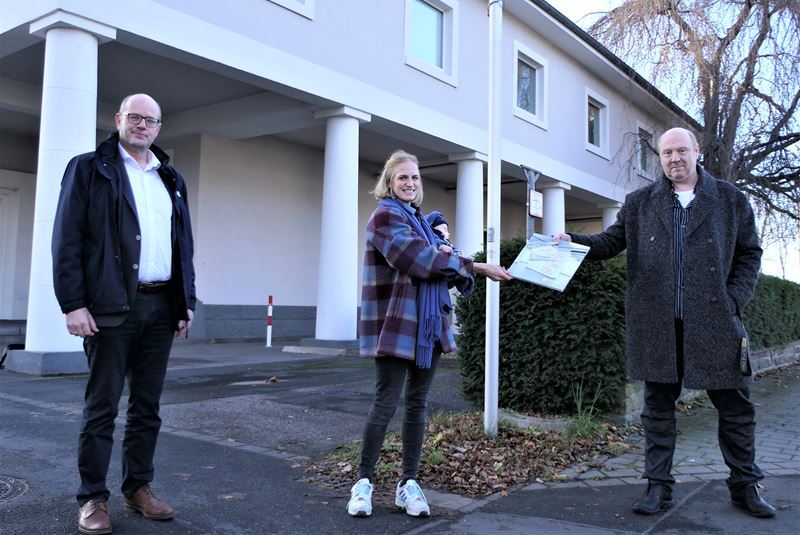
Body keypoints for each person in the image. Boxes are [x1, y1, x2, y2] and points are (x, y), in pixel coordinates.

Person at [554, 127, 774, 519]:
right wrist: (572, 241)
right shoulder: (641, 202)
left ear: (697, 151)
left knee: (736, 408)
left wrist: (733, 299)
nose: (674, 158)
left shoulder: (729, 199)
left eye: (681, 151)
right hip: (656, 322)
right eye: (667, 152)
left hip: (715, 321)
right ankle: (658, 487)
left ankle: (745, 486)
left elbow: (750, 253)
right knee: (657, 409)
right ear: (660, 157)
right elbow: (610, 242)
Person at [52, 93, 196, 534]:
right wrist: (73, 303)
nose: (142, 125)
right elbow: (67, 238)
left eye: (150, 120)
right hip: (110, 308)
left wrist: (185, 299)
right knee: (101, 407)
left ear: (159, 128)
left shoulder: (168, 176)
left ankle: (139, 487)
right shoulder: (89, 167)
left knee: (147, 407)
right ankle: (93, 498)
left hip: (161, 305)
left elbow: (182, 243)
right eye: (135, 117)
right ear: (118, 119)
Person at [347, 149, 512, 519]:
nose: (410, 183)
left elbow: (440, 257)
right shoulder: (385, 216)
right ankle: (364, 481)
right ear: (389, 182)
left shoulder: (419, 220)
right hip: (396, 323)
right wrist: (478, 266)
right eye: (402, 177)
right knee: (385, 402)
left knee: (417, 404)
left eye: (415, 178)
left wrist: (446, 248)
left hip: (426, 325)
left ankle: (408, 483)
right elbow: (421, 260)